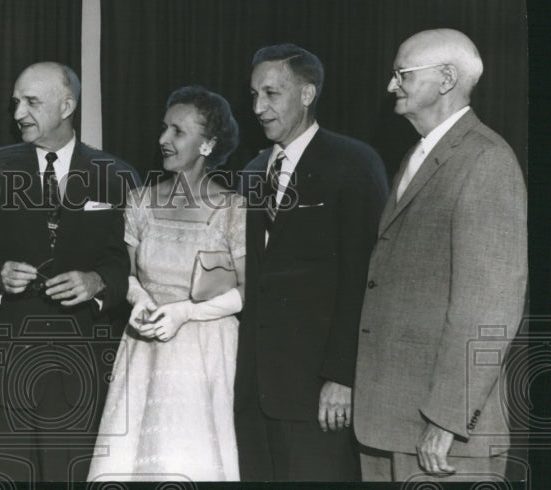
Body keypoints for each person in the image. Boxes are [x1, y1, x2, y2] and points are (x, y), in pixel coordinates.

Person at [354, 28, 527, 482]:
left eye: (402, 74)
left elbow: (492, 306)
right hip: (391, 422)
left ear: (447, 78)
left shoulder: (486, 159)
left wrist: (448, 418)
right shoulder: (418, 155)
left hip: (443, 435)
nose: (392, 86)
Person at [0, 62, 135, 482]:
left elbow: (125, 262)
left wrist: (98, 282)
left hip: (82, 367)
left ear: (67, 105)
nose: (18, 114)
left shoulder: (116, 175)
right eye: (15, 103)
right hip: (7, 365)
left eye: (31, 102)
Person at [234, 43, 388, 481]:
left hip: (319, 393)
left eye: (271, 93)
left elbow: (365, 277)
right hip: (254, 394)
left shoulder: (354, 162)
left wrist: (342, 376)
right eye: (253, 95)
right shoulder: (251, 173)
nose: (258, 107)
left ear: (307, 94)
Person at [87, 86, 244, 482]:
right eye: (163, 129)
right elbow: (121, 271)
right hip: (143, 348)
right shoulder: (140, 201)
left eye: (177, 131)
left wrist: (184, 313)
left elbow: (247, 291)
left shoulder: (232, 208)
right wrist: (139, 299)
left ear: (208, 143)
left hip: (204, 353)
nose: (163, 140)